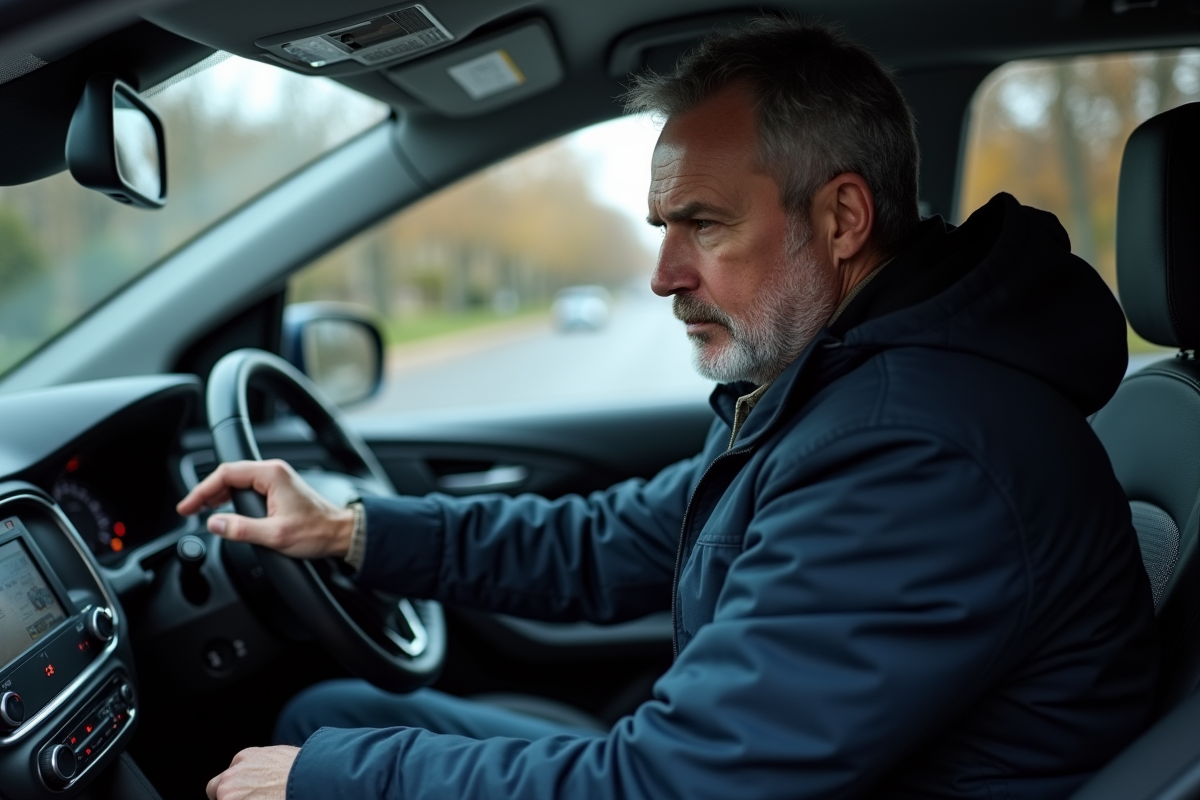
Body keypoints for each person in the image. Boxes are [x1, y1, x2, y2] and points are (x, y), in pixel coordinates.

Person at [190, 17, 1157, 800]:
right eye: (663, 226)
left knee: (321, 746)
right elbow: (611, 542)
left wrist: (337, 782)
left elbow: (678, 783)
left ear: (842, 219)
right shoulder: (834, 388)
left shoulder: (913, 449)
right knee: (329, 719)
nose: (663, 275)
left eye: (704, 224)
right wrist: (352, 533)